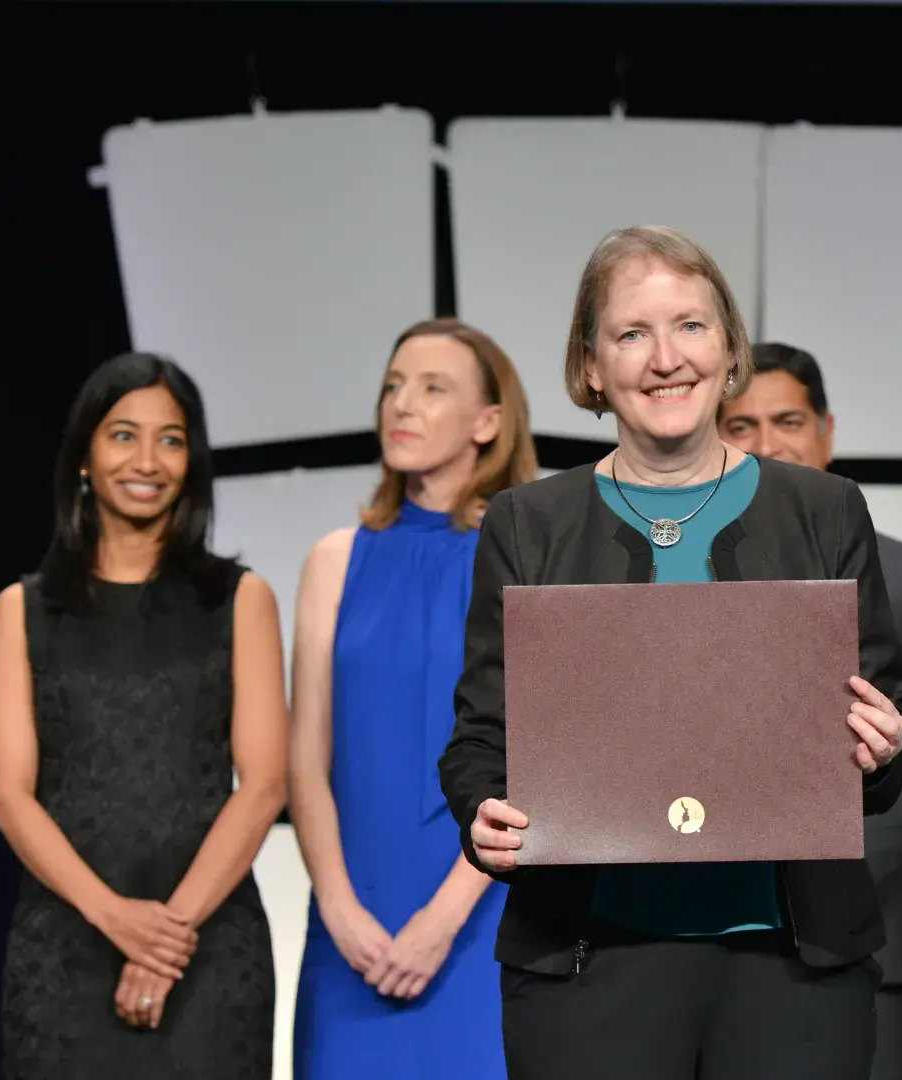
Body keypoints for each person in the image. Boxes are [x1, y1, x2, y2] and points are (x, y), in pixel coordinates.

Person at [439, 224, 902, 1080]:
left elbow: (888, 730)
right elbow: (482, 738)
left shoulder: (826, 509)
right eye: (632, 334)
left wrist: (883, 748)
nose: (666, 358)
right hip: (591, 971)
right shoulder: (527, 525)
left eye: (691, 327)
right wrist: (484, 816)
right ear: (591, 366)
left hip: (792, 972)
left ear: (728, 348)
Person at [0, 352, 286, 1079]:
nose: (147, 459)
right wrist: (117, 918)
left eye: (171, 439)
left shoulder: (240, 599)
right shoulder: (23, 610)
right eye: (123, 435)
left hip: (209, 950)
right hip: (65, 947)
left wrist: (168, 934)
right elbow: (8, 796)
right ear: (84, 455)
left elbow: (266, 784)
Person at [288, 318, 538, 1079]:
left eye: (433, 388)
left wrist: (443, 919)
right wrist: (338, 910)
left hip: (484, 918)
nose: (403, 404)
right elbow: (306, 761)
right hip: (350, 931)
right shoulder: (335, 559)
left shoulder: (530, 555)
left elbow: (540, 759)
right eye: (394, 386)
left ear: (488, 423)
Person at [718, 341, 902, 1080]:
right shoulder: (683, 570)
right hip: (711, 941)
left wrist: (821, 872)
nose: (768, 443)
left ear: (827, 431)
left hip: (865, 933)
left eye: (787, 419)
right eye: (741, 425)